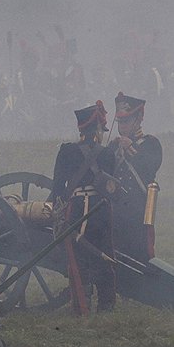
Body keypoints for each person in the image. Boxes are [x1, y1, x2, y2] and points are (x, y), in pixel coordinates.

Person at [50, 101, 117, 314]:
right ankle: (106, 303)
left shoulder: (66, 152)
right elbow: (111, 186)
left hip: (77, 209)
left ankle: (82, 300)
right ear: (97, 128)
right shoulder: (107, 154)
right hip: (100, 210)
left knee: (78, 256)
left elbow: (58, 187)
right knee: (103, 252)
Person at [110, 92, 162, 263]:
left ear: (139, 118)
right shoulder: (114, 146)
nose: (122, 126)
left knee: (140, 259)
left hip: (138, 215)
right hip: (115, 213)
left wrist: (130, 148)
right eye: (120, 122)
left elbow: (148, 169)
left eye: (126, 121)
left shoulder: (151, 144)